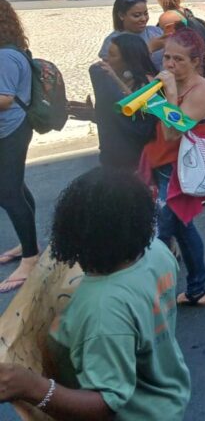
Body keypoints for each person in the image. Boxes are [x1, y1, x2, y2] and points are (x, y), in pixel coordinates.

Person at [0, 168, 190, 418]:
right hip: (166, 399)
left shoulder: (102, 309)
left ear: (73, 236)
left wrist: (33, 387)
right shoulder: (157, 252)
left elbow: (105, 403)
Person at [139, 28, 205, 307]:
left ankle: (150, 296)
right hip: (164, 166)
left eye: (178, 60)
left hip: (180, 172)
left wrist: (169, 94)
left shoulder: (202, 92)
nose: (170, 65)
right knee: (184, 228)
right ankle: (197, 290)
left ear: (196, 61)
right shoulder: (173, 82)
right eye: (167, 58)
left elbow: (173, 134)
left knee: (160, 234)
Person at [0, 0, 39, 293]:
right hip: (12, 129)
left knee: (8, 193)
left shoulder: (5, 57)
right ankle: (28, 245)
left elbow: (5, 99)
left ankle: (31, 257)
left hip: (11, 130)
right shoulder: (11, 50)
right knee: (17, 188)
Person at [89, 34, 158, 171]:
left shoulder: (150, 83)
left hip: (137, 157)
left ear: (128, 60)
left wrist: (115, 79)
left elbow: (140, 114)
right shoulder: (106, 79)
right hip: (111, 152)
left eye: (113, 55)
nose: (106, 59)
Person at [99, 0, 164, 63]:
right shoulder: (112, 42)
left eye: (146, 13)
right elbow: (113, 71)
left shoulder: (156, 31)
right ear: (121, 15)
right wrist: (149, 48)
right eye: (137, 15)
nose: (143, 19)